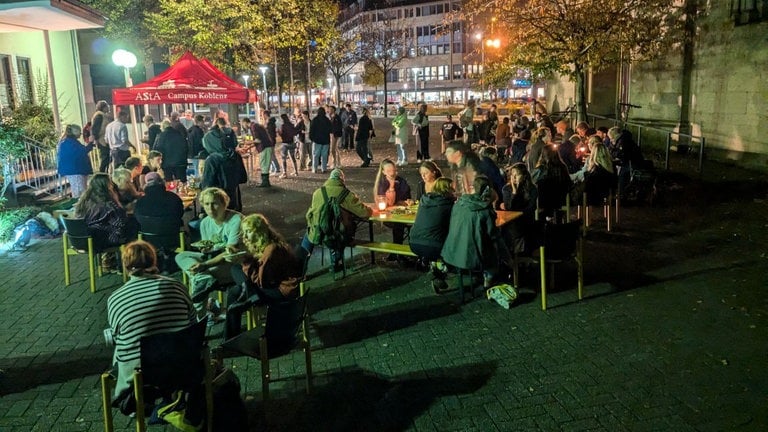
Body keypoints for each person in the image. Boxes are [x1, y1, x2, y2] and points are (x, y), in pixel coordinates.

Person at [106, 240, 195, 402]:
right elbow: (192, 322)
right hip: (183, 366)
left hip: (141, 376)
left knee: (118, 344)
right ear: (154, 261)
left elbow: (116, 336)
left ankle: (131, 400)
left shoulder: (115, 299)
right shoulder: (177, 286)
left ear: (126, 267)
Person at [226, 214, 301, 341]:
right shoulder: (270, 243)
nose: (244, 236)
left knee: (234, 293)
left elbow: (261, 282)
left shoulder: (270, 251)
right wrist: (244, 258)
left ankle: (230, 339)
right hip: (273, 283)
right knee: (235, 269)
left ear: (259, 231)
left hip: (280, 291)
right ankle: (250, 294)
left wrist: (244, 261)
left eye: (248, 232)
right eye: (244, 232)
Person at [175, 187, 242, 314]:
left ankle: (199, 318)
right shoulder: (205, 222)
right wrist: (205, 249)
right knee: (181, 256)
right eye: (206, 204)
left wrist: (204, 265)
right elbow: (209, 248)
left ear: (224, 203)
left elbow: (231, 252)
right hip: (213, 260)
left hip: (234, 263)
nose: (210, 208)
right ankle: (203, 280)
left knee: (199, 277)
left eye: (215, 203)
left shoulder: (236, 220)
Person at [297, 168, 372, 274]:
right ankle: (335, 263)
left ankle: (300, 270)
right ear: (342, 180)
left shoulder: (318, 193)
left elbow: (310, 213)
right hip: (336, 234)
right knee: (340, 233)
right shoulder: (346, 194)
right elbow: (364, 213)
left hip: (319, 232)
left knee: (308, 236)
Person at [441, 175, 504, 289]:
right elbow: (493, 235)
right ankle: (488, 279)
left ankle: (443, 270)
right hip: (473, 256)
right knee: (493, 249)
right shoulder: (485, 211)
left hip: (452, 251)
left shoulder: (459, 204)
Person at [74, 173, 138, 272]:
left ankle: (110, 261)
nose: (112, 185)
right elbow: (120, 222)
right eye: (110, 183)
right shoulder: (107, 203)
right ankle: (129, 263)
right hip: (100, 240)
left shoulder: (84, 201)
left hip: (82, 240)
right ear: (106, 186)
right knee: (132, 228)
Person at [409, 177, 455, 292]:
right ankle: (442, 270)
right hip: (433, 246)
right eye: (452, 189)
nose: (454, 191)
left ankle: (434, 267)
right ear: (447, 189)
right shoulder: (448, 204)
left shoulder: (424, 201)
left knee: (436, 235)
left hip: (413, 243)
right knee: (454, 242)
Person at [202, 128, 248, 212]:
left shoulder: (212, 159)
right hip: (234, 199)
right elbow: (243, 178)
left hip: (218, 202)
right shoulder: (235, 155)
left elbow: (207, 185)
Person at [373, 159, 412, 255]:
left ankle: (400, 252)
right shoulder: (382, 184)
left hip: (401, 212)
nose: (392, 173)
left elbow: (407, 196)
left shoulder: (401, 181)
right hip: (387, 215)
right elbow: (388, 202)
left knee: (405, 225)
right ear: (383, 172)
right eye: (389, 171)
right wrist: (391, 187)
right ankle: (397, 252)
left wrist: (408, 201)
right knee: (398, 225)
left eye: (393, 170)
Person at [501, 163, 538, 253]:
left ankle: (520, 256)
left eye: (517, 175)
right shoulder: (507, 189)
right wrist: (514, 192)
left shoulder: (532, 189)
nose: (514, 177)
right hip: (512, 222)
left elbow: (531, 208)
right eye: (512, 175)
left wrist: (518, 212)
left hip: (526, 221)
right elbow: (509, 208)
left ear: (524, 176)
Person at [532, 144, 572, 219]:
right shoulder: (562, 167)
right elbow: (568, 183)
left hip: (542, 201)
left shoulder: (540, 170)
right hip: (560, 200)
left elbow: (533, 184)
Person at [56, 124, 93, 198]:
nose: (81, 134)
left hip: (73, 170)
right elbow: (81, 152)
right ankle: (80, 207)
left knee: (80, 191)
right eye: (79, 132)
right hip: (75, 171)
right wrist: (90, 144)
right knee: (79, 192)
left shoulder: (67, 142)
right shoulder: (70, 143)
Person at [309, 106, 333, 174]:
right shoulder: (327, 120)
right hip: (325, 140)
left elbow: (311, 130)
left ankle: (315, 168)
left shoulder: (315, 120)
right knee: (324, 155)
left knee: (315, 155)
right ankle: (324, 168)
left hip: (317, 140)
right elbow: (331, 130)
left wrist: (312, 138)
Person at [90, 100, 111, 173]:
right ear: (103, 107)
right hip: (102, 140)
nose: (108, 107)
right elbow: (95, 128)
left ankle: (104, 172)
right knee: (105, 158)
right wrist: (95, 138)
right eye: (107, 106)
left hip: (104, 139)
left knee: (107, 158)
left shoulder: (102, 115)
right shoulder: (99, 116)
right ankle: (102, 173)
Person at [277, 113, 299, 178]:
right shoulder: (291, 125)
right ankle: (296, 171)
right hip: (292, 143)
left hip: (285, 144)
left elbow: (282, 134)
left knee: (283, 158)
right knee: (293, 157)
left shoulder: (283, 126)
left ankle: (284, 173)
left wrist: (279, 132)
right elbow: (294, 132)